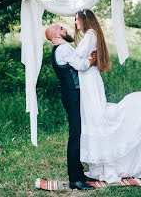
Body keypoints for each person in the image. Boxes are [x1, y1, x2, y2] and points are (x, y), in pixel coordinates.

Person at [51, 9, 141, 183]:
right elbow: (78, 59)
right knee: (93, 120)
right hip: (87, 79)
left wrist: (86, 60)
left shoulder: (90, 34)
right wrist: (85, 58)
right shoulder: (88, 36)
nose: (75, 23)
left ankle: (107, 166)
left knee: (97, 118)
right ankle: (100, 167)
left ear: (85, 19)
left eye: (77, 19)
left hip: (88, 79)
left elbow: (79, 61)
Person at [45, 23, 96, 190]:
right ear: (55, 35)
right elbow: (80, 65)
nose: (65, 29)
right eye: (61, 28)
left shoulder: (62, 48)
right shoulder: (64, 49)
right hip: (72, 95)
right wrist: (92, 60)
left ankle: (79, 173)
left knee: (78, 133)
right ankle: (75, 179)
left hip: (70, 95)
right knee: (75, 134)